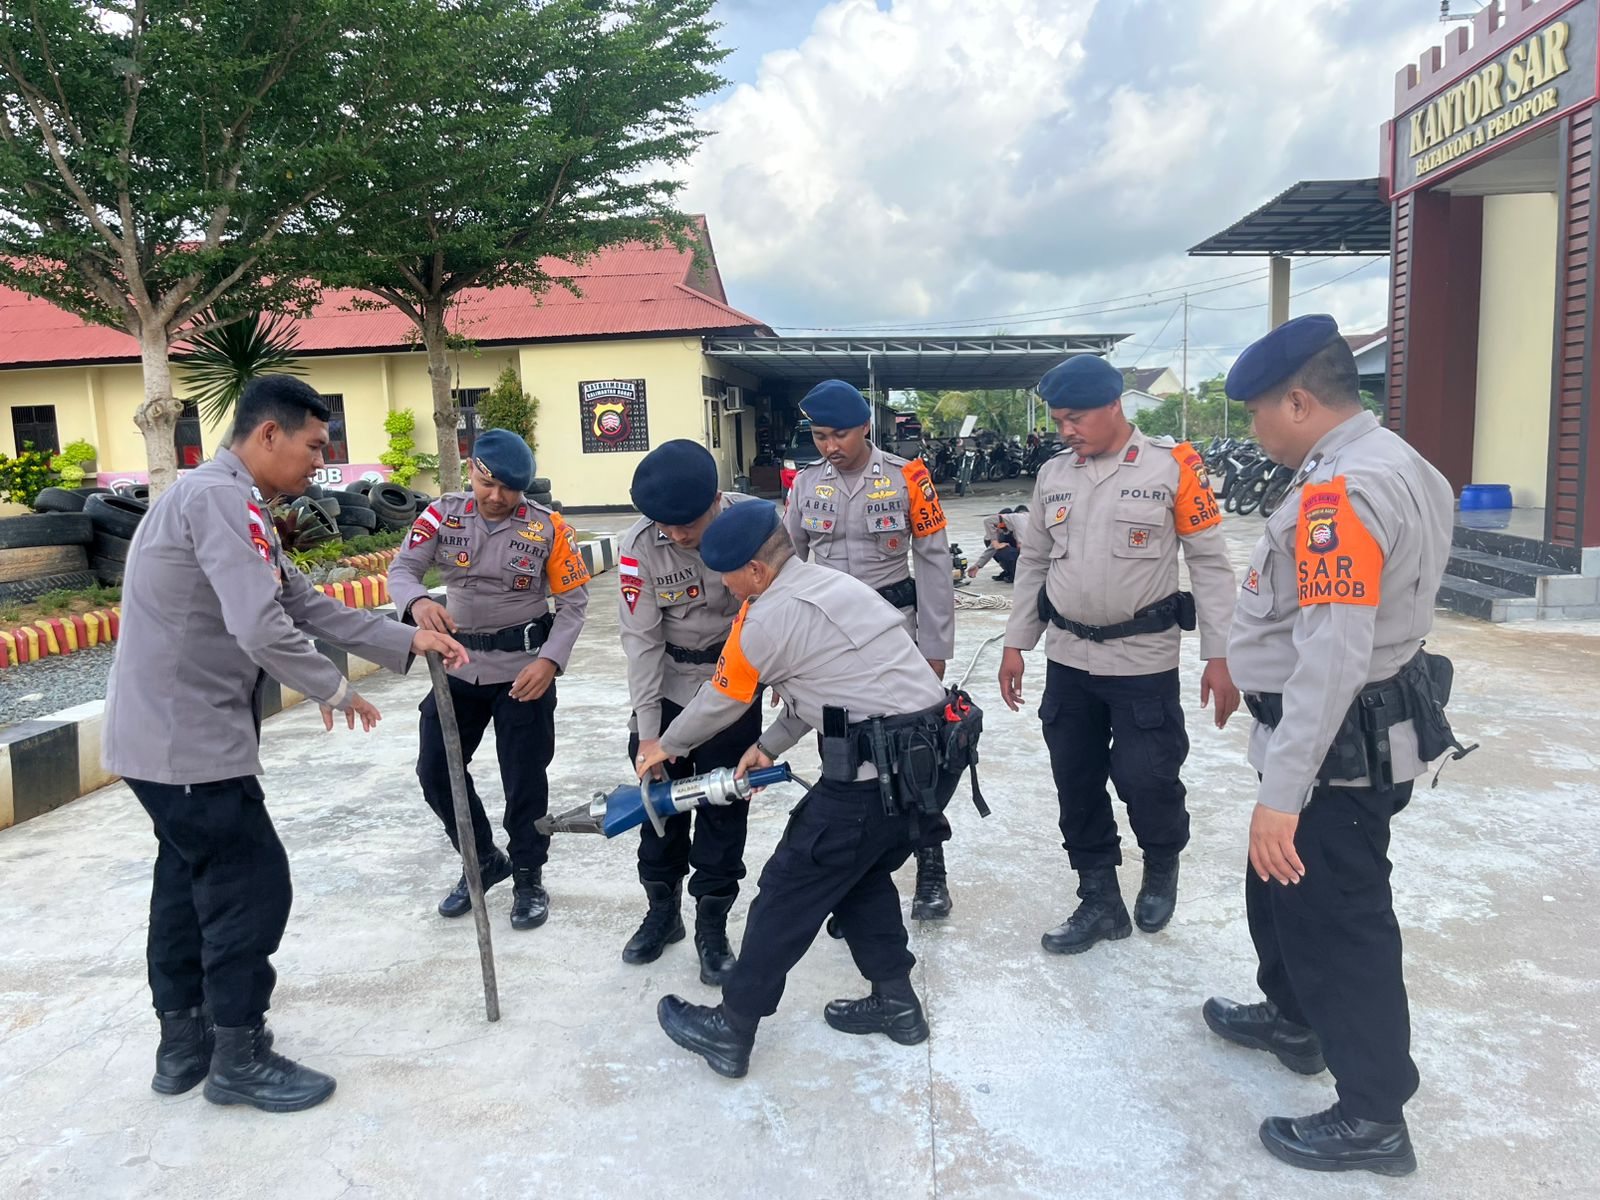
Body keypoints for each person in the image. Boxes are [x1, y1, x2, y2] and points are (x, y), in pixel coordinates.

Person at [103, 376, 468, 1113]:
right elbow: (259, 624)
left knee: (186, 883)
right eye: (314, 445)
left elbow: (298, 601)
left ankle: (184, 1045)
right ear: (268, 434)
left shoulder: (230, 500)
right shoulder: (219, 499)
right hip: (186, 740)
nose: (320, 462)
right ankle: (238, 1054)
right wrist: (334, 689)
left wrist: (405, 638)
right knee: (250, 885)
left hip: (166, 739)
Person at [1201, 314, 1461, 1176]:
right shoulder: (1402, 460)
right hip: (1342, 734)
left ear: (1299, 402)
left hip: (1333, 754)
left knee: (1342, 924)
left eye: (1256, 414)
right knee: (1280, 894)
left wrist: (1283, 793)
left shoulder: (1340, 492)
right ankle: (1294, 1020)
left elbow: (1334, 654)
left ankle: (1374, 1117)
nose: (1253, 432)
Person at [638, 500, 983, 1078]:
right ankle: (897, 1004)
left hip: (876, 777)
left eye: (728, 576)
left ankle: (732, 1028)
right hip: (929, 762)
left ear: (756, 571)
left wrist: (665, 745)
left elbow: (722, 699)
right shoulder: (834, 586)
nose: (724, 587)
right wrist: (770, 745)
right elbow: (830, 687)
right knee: (859, 874)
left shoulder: (767, 618)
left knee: (786, 891)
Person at [999, 355, 1239, 954]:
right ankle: (1100, 899)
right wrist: (1016, 643)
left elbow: (1210, 564)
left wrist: (1220, 655)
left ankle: (1161, 860)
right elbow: (1033, 561)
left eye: (1075, 419)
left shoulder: (1173, 467)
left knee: (1147, 777)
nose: (1065, 431)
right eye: (1058, 421)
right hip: (1068, 657)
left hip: (1142, 660)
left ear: (1114, 406)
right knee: (1075, 780)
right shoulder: (1054, 474)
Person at [388, 430, 591, 930]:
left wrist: (550, 662)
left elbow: (573, 606)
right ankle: (481, 860)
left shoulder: (549, 528)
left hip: (523, 671)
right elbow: (403, 569)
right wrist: (417, 601)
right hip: (457, 667)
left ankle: (527, 876)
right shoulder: (442, 515)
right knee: (436, 770)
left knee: (524, 780)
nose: (497, 497)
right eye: (487, 484)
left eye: (509, 489)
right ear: (471, 470)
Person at [782, 379, 957, 920]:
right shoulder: (805, 484)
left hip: (896, 634)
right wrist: (784, 660)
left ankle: (931, 867)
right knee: (841, 760)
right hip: (829, 643)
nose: (830, 446)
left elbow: (933, 561)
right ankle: (853, 881)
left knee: (916, 752)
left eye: (840, 434)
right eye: (819, 436)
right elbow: (785, 568)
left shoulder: (908, 478)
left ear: (865, 428)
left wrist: (935, 645)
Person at [616, 439, 759, 983]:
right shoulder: (638, 548)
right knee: (659, 809)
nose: (677, 535)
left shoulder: (755, 525)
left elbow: (782, 608)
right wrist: (649, 735)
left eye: (689, 524)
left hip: (735, 688)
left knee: (724, 807)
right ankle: (662, 914)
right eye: (666, 525)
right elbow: (642, 643)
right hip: (671, 687)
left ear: (716, 500)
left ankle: (711, 927)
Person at [968, 506, 1025, 582]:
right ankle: (1009, 571)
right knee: (990, 541)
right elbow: (993, 547)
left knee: (1008, 552)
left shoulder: (1020, 525)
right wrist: (978, 565)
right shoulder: (1003, 531)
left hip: (1029, 559)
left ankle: (1017, 574)